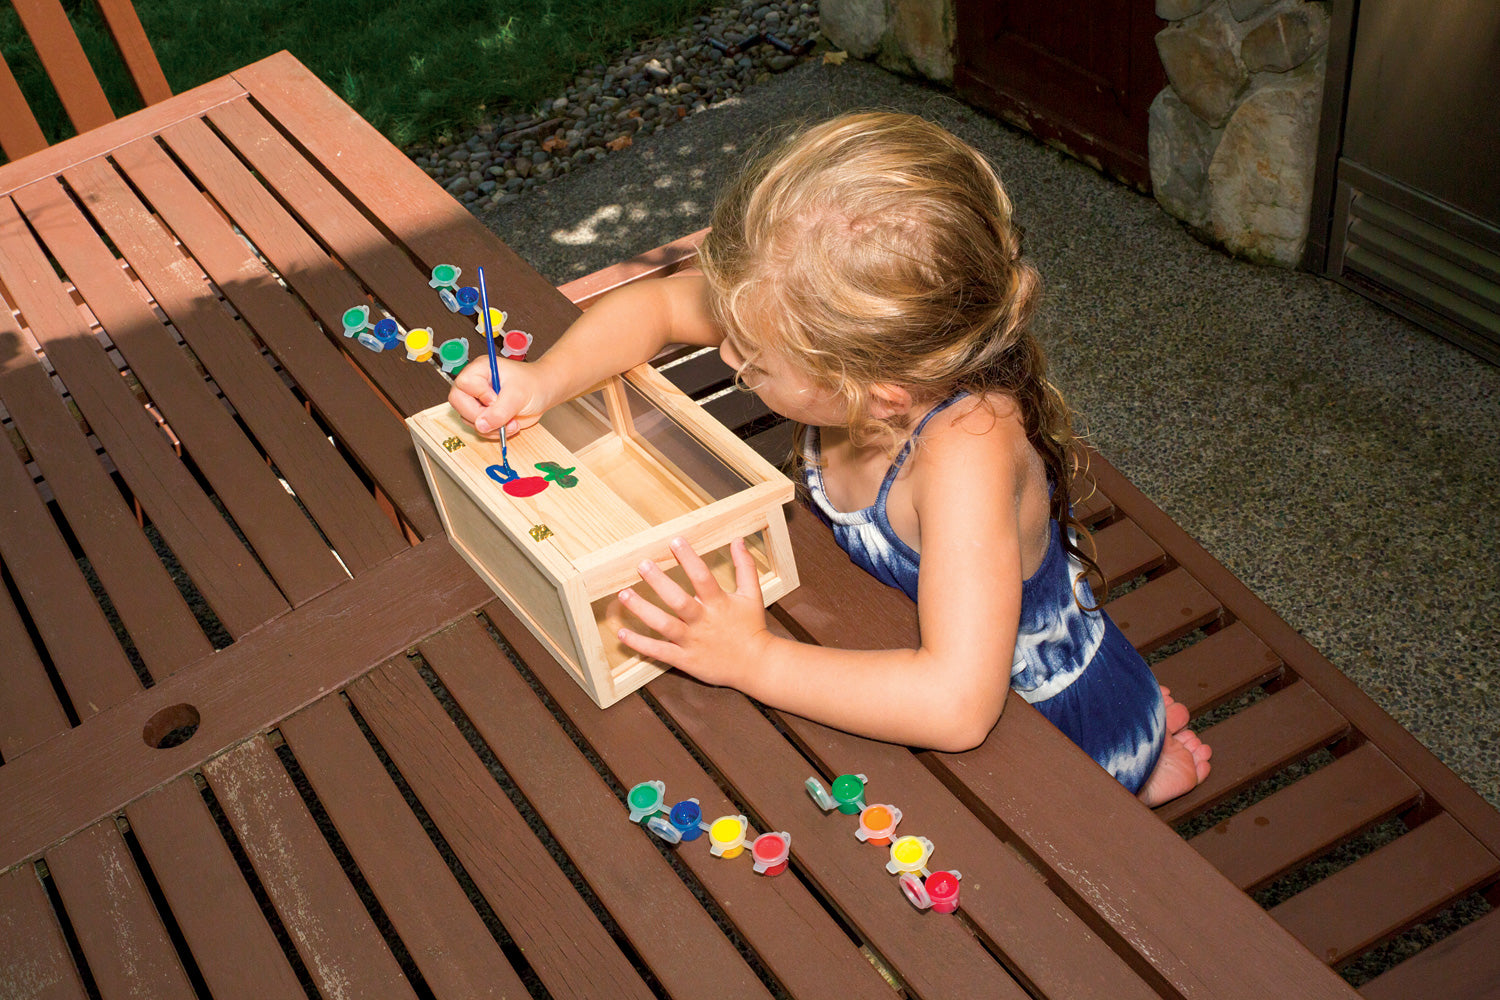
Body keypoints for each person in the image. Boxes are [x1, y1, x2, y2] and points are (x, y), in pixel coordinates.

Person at [449, 111, 1211, 805]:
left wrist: (753, 659)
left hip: (1039, 724)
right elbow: (654, 306)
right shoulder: (811, 319)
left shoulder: (963, 459)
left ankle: (1138, 762)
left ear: (877, 396)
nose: (728, 355)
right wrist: (543, 378)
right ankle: (1141, 720)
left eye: (753, 362)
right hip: (905, 637)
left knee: (1044, 851)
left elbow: (958, 707)